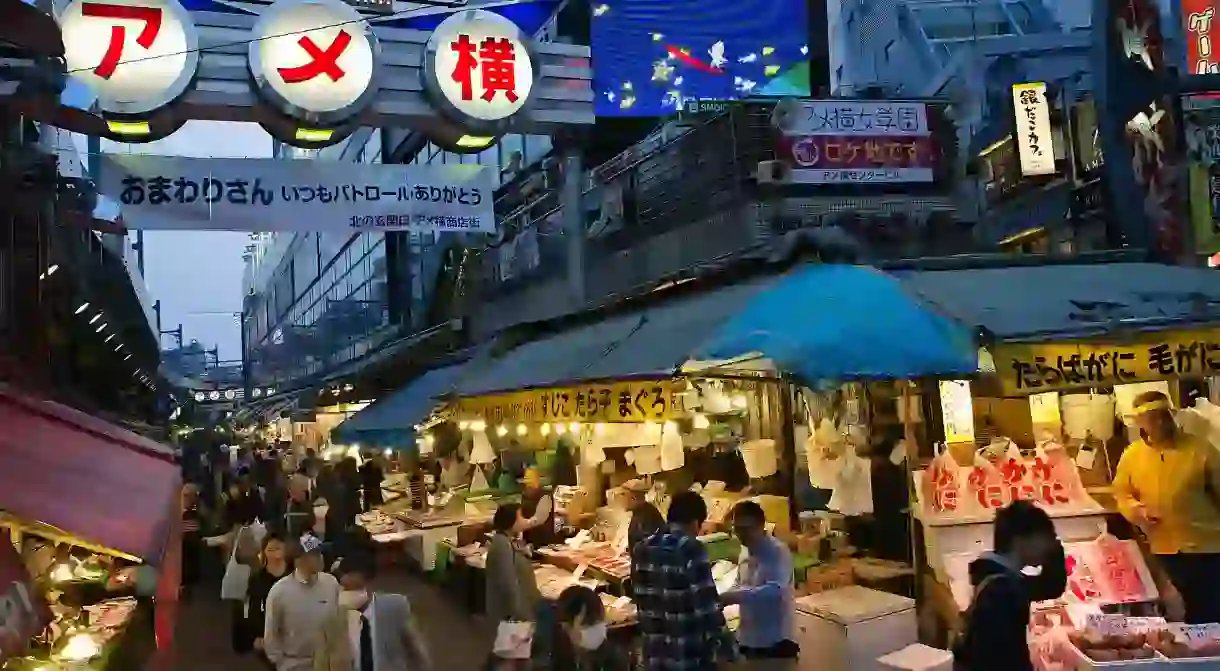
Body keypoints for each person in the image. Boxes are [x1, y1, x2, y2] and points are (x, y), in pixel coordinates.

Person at [1113, 390, 1220, 624]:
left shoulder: (1200, 449)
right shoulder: (1132, 456)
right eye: (1151, 418)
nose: (1159, 422)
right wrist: (1136, 510)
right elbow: (1122, 493)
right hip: (1163, 550)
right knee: (1177, 618)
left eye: (1163, 416)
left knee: (1211, 615)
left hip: (1207, 548)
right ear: (1140, 423)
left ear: (1172, 415)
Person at [953, 500, 1066, 671]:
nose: (1047, 546)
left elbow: (1050, 586)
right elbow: (1004, 659)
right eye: (1045, 538)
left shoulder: (998, 578)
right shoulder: (1001, 591)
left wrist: (1055, 548)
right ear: (1020, 540)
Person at [631, 490, 736, 671]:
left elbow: (641, 601)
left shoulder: (642, 548)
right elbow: (707, 610)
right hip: (688, 659)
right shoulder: (691, 548)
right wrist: (729, 651)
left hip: (654, 658)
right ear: (695, 523)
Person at [321, 551, 433, 671]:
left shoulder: (395, 606)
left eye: (355, 589)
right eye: (345, 589)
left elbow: (416, 649)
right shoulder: (335, 615)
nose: (348, 595)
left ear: (369, 584)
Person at [721, 501, 799, 667]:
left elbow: (776, 590)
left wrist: (735, 596)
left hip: (776, 644)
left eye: (745, 529)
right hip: (749, 640)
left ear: (761, 526)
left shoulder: (778, 552)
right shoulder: (745, 550)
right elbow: (739, 582)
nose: (741, 535)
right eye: (737, 529)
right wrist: (722, 597)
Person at [263, 534, 344, 671]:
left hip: (327, 662)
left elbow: (336, 623)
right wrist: (281, 663)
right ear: (298, 559)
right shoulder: (279, 592)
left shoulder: (331, 583)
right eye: (314, 554)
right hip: (295, 664)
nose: (320, 558)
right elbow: (271, 635)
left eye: (320, 553)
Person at [485, 503, 542, 663]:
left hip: (513, 617)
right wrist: (521, 617)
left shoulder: (505, 541)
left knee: (514, 660)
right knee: (513, 661)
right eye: (521, 516)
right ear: (511, 522)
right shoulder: (502, 545)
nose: (525, 520)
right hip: (512, 619)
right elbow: (507, 584)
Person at [532, 585, 628, 671]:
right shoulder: (547, 655)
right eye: (588, 624)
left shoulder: (614, 657)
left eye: (599, 621)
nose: (597, 629)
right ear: (565, 626)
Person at [246, 534, 292, 668]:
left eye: (278, 548)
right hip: (269, 635)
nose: (275, 554)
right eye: (270, 550)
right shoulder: (257, 579)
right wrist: (257, 635)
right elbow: (253, 609)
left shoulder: (294, 574)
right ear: (264, 553)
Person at [516, 469, 557, 549]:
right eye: (526, 479)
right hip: (528, 541)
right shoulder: (524, 496)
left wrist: (521, 524)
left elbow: (539, 518)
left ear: (537, 480)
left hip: (544, 543)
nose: (528, 482)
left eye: (530, 479)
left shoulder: (546, 496)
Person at [622, 480, 665, 552]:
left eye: (623, 495)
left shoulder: (646, 515)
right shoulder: (641, 511)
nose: (622, 500)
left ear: (634, 497)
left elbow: (649, 547)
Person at [282, 475, 316, 540]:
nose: (306, 494)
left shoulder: (307, 506)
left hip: (303, 540)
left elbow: (311, 524)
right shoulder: (284, 505)